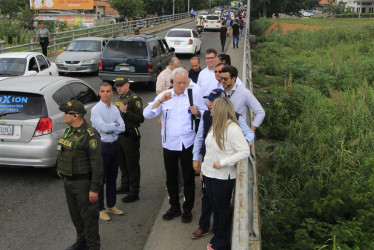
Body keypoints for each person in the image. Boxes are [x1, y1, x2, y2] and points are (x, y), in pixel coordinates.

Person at [143, 68, 207, 223]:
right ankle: (174, 207)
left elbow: (206, 113)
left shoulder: (193, 94)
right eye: (179, 83)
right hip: (169, 144)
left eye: (185, 82)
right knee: (171, 177)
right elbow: (147, 114)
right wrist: (160, 101)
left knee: (188, 177)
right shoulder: (165, 96)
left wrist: (197, 112)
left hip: (188, 143)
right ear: (172, 82)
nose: (182, 86)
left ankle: (187, 210)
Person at [190, 89, 255, 241]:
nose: (210, 104)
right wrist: (199, 162)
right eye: (210, 101)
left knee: (221, 206)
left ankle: (220, 236)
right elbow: (201, 140)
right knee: (208, 200)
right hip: (209, 169)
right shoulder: (209, 118)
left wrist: (245, 143)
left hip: (222, 173)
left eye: (213, 102)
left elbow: (247, 139)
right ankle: (205, 227)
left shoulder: (233, 122)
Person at [203, 97, 250, 250]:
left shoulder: (232, 129)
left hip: (223, 177)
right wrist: (204, 169)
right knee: (216, 207)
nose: (211, 109)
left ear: (220, 110)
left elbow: (244, 151)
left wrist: (223, 163)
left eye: (213, 107)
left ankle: (221, 242)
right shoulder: (215, 126)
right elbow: (209, 151)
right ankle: (218, 234)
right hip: (210, 175)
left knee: (222, 209)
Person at [57, 100, 103, 250]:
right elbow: (65, 149)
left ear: (76, 115)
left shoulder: (90, 135)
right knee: (76, 215)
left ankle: (93, 246)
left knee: (89, 217)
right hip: (68, 181)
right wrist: (60, 167)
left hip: (83, 182)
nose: (63, 115)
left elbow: (97, 163)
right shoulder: (70, 129)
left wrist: (94, 188)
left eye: (66, 113)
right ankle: (81, 241)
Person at [90, 82, 125, 221]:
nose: (105, 94)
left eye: (108, 91)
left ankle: (111, 205)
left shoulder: (115, 108)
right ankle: (100, 209)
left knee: (112, 176)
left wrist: (113, 127)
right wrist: (114, 126)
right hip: (102, 147)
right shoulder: (96, 110)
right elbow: (103, 128)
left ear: (112, 93)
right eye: (103, 91)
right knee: (100, 179)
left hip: (114, 145)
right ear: (99, 93)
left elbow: (122, 126)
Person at [114, 77, 144, 203]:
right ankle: (125, 186)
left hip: (130, 135)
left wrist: (126, 111)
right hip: (119, 135)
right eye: (117, 86)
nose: (118, 88)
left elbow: (140, 118)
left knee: (132, 165)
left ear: (128, 85)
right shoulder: (120, 98)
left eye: (121, 85)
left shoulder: (134, 99)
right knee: (122, 163)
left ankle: (134, 192)